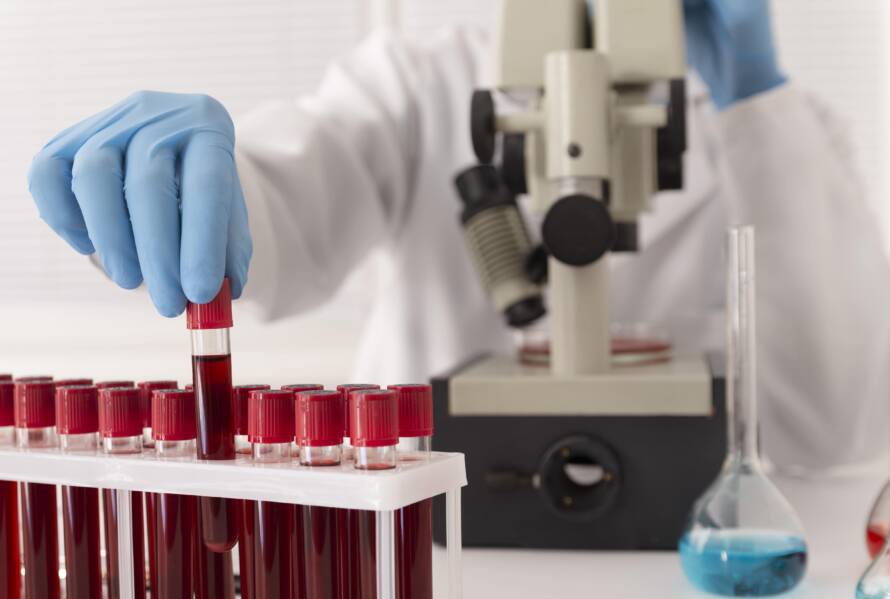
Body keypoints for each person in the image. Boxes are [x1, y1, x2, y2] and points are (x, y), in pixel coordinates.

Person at [26, 0, 890, 474]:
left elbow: (835, 431)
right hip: (436, 554)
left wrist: (754, 98)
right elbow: (283, 204)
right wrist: (196, 184)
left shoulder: (788, 129)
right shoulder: (419, 81)